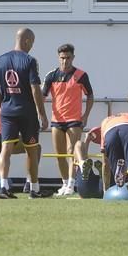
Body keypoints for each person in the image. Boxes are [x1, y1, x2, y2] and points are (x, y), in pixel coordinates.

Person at [0, 27, 51, 199]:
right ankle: (34, 189)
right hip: (27, 112)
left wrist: (4, 105)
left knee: (5, 149)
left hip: (8, 111)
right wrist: (42, 114)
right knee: (32, 149)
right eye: (32, 42)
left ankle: (3, 188)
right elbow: (35, 89)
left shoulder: (0, 60)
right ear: (27, 41)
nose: (32, 46)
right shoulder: (30, 60)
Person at [42, 43, 94, 196]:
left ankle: (72, 183)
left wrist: (85, 116)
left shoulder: (81, 75)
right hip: (56, 120)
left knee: (71, 152)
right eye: (62, 58)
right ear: (58, 58)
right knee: (59, 154)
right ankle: (64, 183)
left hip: (74, 119)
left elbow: (90, 96)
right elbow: (42, 97)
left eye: (68, 58)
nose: (65, 61)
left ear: (73, 57)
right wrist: (41, 115)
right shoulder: (51, 75)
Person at [71, 127, 104, 199]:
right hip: (103, 189)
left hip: (85, 190)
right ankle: (102, 173)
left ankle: (81, 163)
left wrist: (87, 140)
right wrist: (87, 140)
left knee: (78, 144)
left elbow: (82, 152)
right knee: (79, 144)